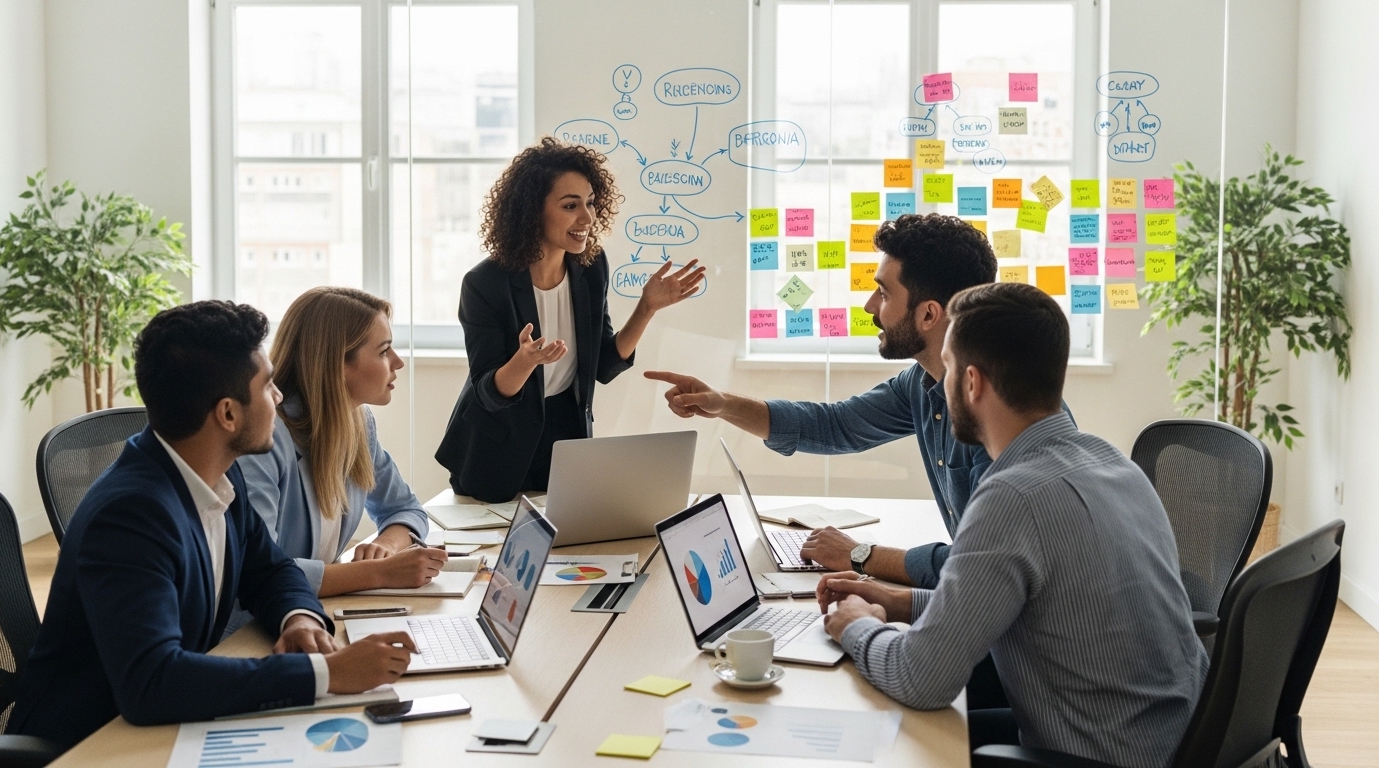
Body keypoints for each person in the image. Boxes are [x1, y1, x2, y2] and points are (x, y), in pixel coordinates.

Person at [819, 282, 1207, 766]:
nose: (940, 385)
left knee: (882, 738)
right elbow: (1028, 605)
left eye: (950, 368)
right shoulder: (1110, 462)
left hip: (1096, 754)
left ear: (973, 382)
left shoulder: (1011, 498)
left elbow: (922, 680)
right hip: (1170, 741)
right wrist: (901, 602)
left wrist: (856, 626)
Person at [9, 301, 416, 748]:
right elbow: (152, 681)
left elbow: (271, 570)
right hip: (94, 746)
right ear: (228, 414)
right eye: (267, 387)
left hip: (174, 724)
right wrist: (325, 672)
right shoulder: (129, 516)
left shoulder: (218, 473)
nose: (279, 398)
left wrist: (297, 619)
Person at [648, 213, 1012, 588]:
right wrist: (722, 403)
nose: (870, 307)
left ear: (929, 314)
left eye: (884, 293)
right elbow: (835, 425)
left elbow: (984, 567)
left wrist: (860, 556)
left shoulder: (1002, 413)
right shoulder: (922, 383)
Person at [436, 136, 706, 503]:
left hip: (564, 433)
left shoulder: (591, 268)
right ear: (533, 211)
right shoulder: (485, 284)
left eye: (591, 203)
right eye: (570, 205)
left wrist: (647, 308)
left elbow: (605, 365)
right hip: (496, 441)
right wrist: (524, 361)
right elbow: (489, 393)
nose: (587, 217)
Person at [227, 288, 446, 634]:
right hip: (254, 630)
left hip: (315, 614)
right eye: (384, 350)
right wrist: (380, 573)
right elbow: (259, 571)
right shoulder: (265, 441)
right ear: (337, 364)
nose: (398, 362)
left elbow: (405, 508)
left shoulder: (358, 422)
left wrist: (385, 546)